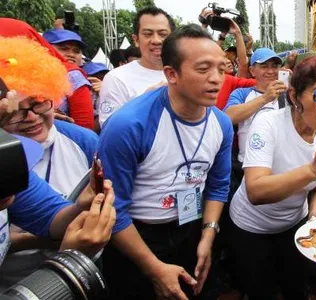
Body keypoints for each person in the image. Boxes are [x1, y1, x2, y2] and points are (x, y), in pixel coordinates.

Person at [98, 24, 232, 300]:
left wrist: (208, 236)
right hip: (136, 237)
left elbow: (218, 186)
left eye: (221, 68)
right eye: (203, 68)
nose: (216, 79)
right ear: (171, 74)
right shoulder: (128, 125)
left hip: (191, 227)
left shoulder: (222, 124)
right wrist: (153, 268)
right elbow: (113, 210)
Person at [227, 56, 316, 299]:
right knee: (260, 291)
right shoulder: (267, 124)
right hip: (251, 228)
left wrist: (314, 212)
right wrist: (312, 170)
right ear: (294, 97)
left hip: (294, 226)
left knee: (297, 288)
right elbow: (256, 191)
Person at [0, 36, 102, 287]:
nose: (30, 117)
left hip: (72, 279)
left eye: (38, 103)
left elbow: (52, 217)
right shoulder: (7, 156)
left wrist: (84, 206)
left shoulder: (84, 141)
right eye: (13, 112)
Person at [0, 18, 94, 130]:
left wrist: (48, 121)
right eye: (64, 49)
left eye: (76, 51)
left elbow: (85, 129)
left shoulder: (72, 75)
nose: (71, 54)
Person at [98, 7, 176, 126]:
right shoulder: (116, 78)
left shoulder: (185, 74)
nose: (156, 40)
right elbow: (110, 131)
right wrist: (145, 101)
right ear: (136, 39)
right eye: (148, 34)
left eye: (162, 34)